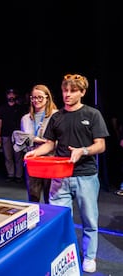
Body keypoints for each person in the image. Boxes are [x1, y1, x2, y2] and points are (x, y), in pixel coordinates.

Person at [24, 73, 109, 273]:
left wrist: (83, 151)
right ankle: (63, 252)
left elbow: (101, 145)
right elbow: (50, 144)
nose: (67, 95)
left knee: (89, 219)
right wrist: (36, 152)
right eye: (64, 90)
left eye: (72, 91)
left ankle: (89, 256)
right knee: (59, 218)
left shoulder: (92, 115)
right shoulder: (57, 116)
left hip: (85, 175)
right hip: (60, 176)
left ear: (82, 92)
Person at [15, 84, 58, 203]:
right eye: (33, 98)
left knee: (50, 197)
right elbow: (24, 140)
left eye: (40, 97)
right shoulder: (26, 118)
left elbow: (58, 140)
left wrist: (35, 139)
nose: (36, 100)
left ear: (47, 98)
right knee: (33, 197)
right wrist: (37, 140)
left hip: (50, 160)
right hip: (32, 161)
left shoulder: (56, 115)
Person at [0, 88, 27, 183]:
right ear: (7, 95)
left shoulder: (19, 108)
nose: (11, 96)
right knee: (8, 156)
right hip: (6, 134)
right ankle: (11, 174)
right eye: (9, 94)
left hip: (18, 136)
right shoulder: (3, 108)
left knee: (18, 156)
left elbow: (25, 121)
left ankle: (18, 175)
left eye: (13, 94)